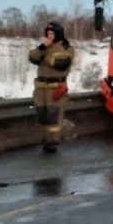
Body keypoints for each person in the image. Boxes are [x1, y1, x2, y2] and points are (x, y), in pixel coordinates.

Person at [29, 22, 75, 153]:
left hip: (56, 88)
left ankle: (52, 142)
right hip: (40, 88)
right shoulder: (44, 47)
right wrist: (43, 47)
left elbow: (61, 64)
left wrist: (45, 58)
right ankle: (45, 139)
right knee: (42, 115)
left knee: (53, 116)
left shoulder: (66, 48)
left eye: (52, 33)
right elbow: (32, 57)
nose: (50, 36)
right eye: (48, 33)